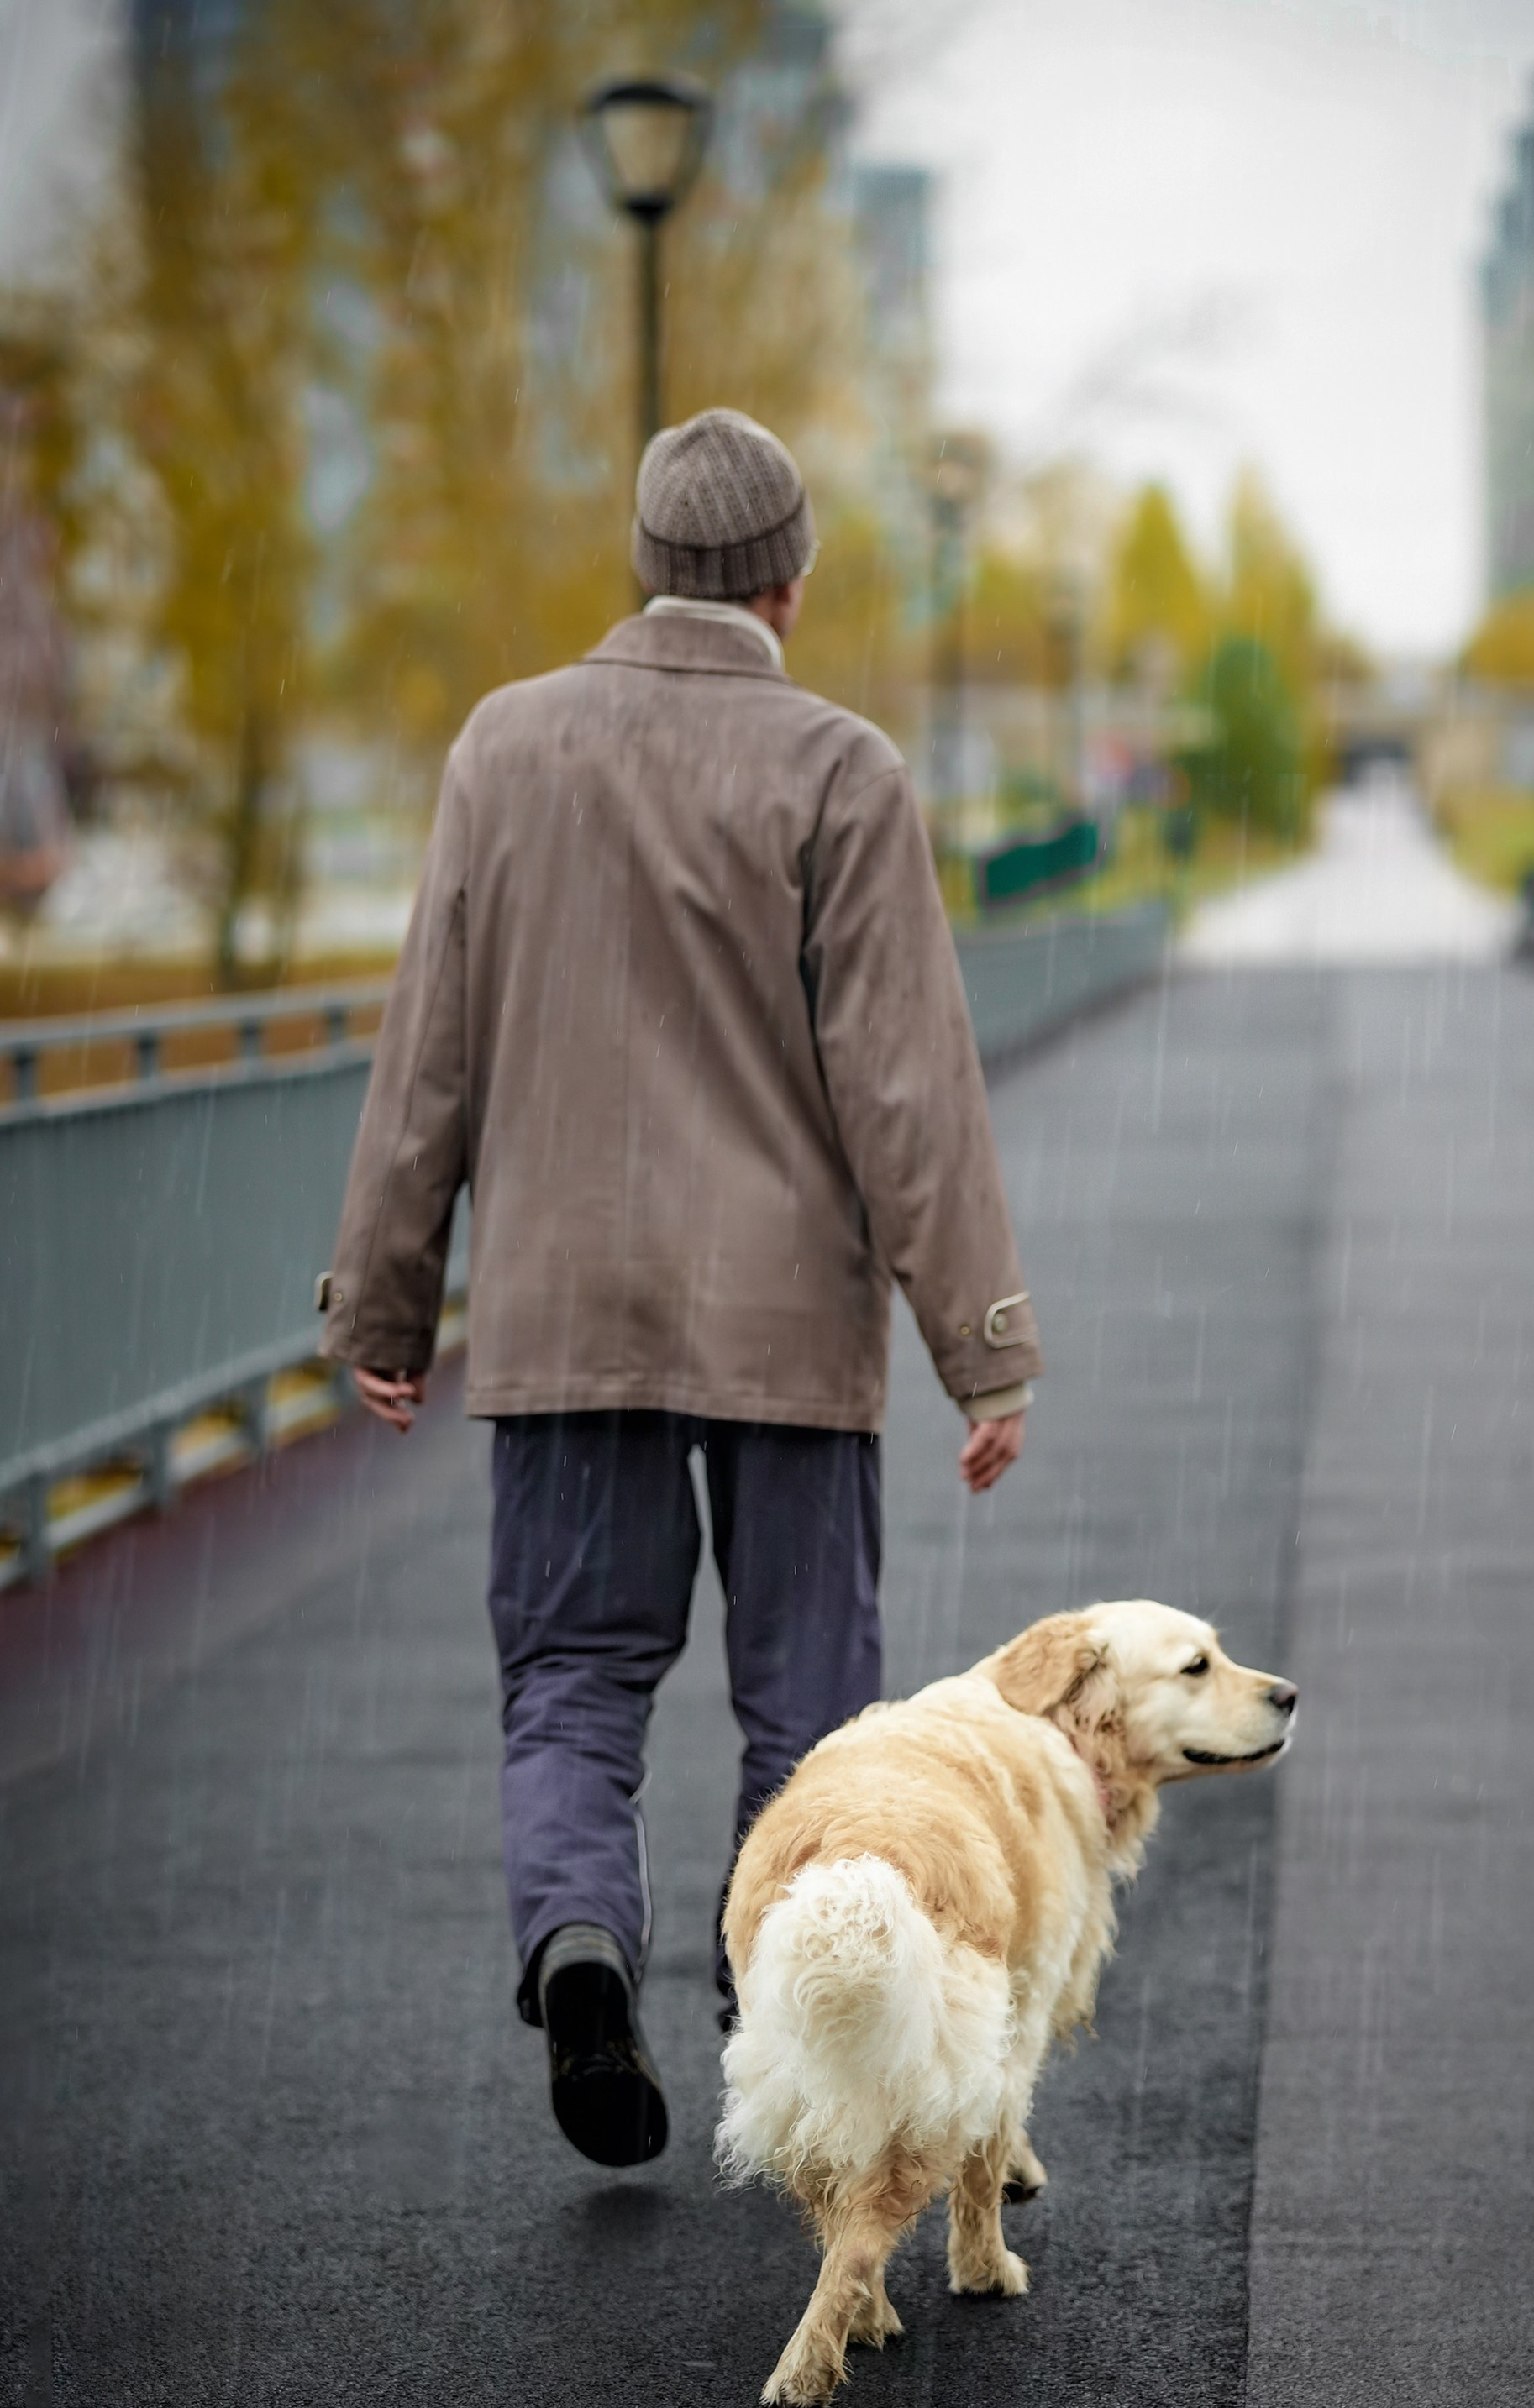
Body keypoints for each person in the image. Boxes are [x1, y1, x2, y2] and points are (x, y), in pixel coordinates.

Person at [318, 408, 1041, 2168]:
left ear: (645, 559)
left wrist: (385, 1300)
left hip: (567, 1320)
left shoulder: (506, 749)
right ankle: (780, 2001)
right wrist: (983, 1344)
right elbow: (908, 1086)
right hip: (789, 1325)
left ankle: (579, 1945)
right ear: (787, 576)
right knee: (812, 1706)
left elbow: (432, 1054)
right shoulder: (841, 769)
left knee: (571, 1673)